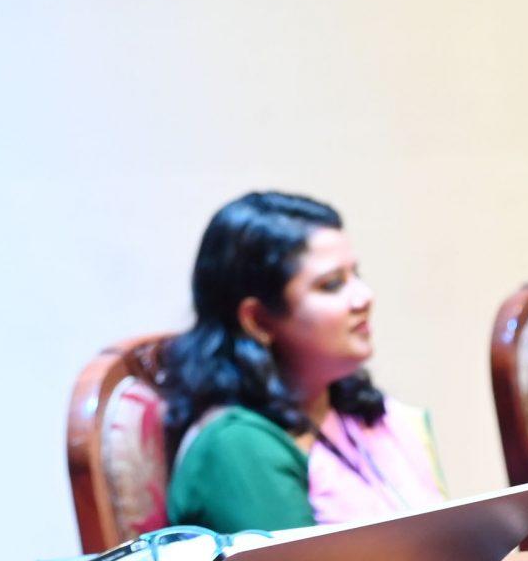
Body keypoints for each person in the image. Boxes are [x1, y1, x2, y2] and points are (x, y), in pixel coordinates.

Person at [154, 192, 445, 533]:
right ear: (259, 321)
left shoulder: (367, 414)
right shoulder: (237, 448)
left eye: (356, 275)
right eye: (332, 284)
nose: (364, 297)